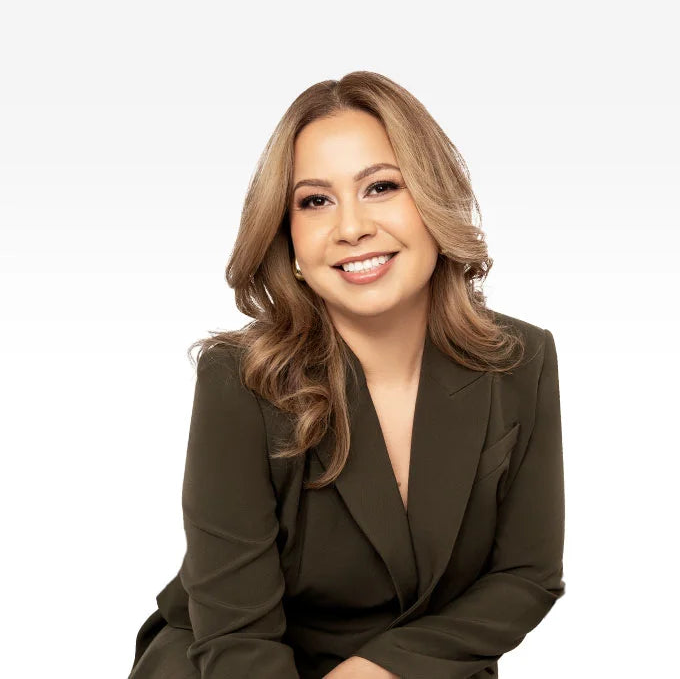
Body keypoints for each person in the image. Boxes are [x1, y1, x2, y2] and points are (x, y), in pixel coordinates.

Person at [127, 71, 566, 679]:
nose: (352, 227)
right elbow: (235, 630)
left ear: (434, 200)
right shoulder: (238, 378)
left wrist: (380, 669)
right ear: (289, 238)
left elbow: (526, 576)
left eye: (381, 187)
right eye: (315, 201)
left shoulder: (519, 358)